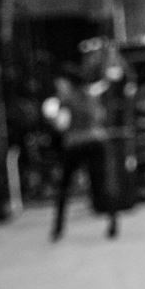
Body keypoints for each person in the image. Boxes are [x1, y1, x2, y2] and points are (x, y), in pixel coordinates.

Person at [42, 59, 120, 241]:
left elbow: (61, 125)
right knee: (101, 183)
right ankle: (113, 221)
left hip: (76, 144)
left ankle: (58, 228)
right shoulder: (90, 96)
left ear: (67, 82)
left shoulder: (66, 101)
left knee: (64, 187)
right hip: (96, 141)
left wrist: (53, 119)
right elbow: (101, 116)